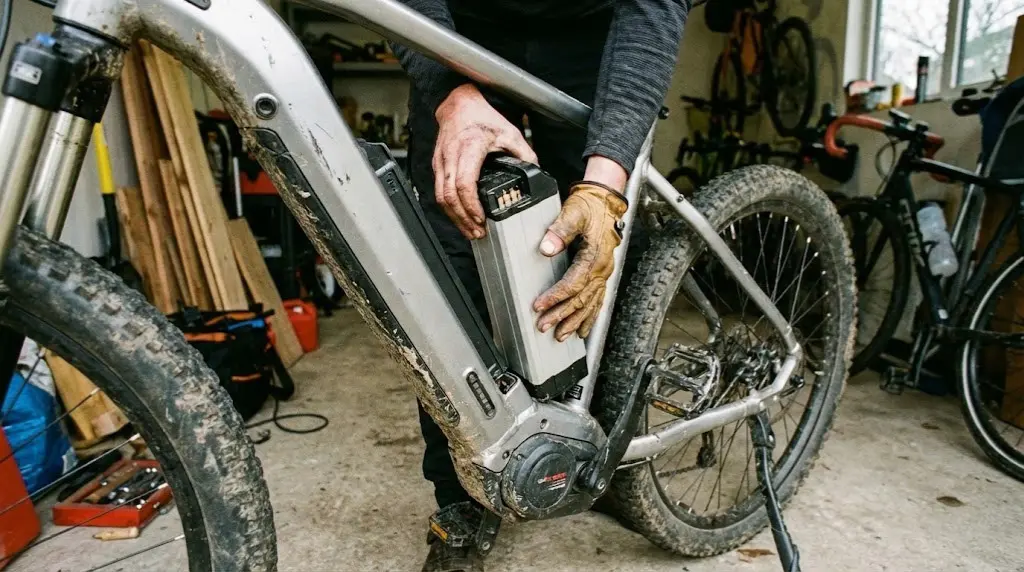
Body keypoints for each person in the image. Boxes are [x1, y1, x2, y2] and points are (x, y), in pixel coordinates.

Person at [390, 1, 690, 570]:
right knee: (447, 293)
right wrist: (448, 92)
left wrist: (605, 184)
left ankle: (595, 457)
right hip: (461, 25)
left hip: (598, 31)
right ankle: (461, 505)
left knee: (594, 255)